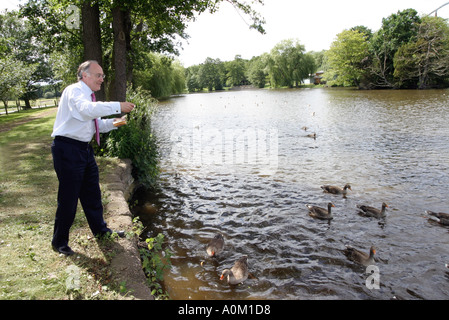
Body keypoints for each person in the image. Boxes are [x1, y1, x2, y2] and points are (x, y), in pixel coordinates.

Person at [50, 60, 135, 256]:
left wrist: (117, 123)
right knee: (68, 199)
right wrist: (117, 105)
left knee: (92, 195)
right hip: (68, 149)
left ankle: (101, 232)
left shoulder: (88, 97)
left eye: (103, 76)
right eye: (99, 75)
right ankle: (59, 242)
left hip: (84, 150)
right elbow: (85, 111)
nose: (102, 79)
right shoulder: (74, 91)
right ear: (84, 75)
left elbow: (95, 125)